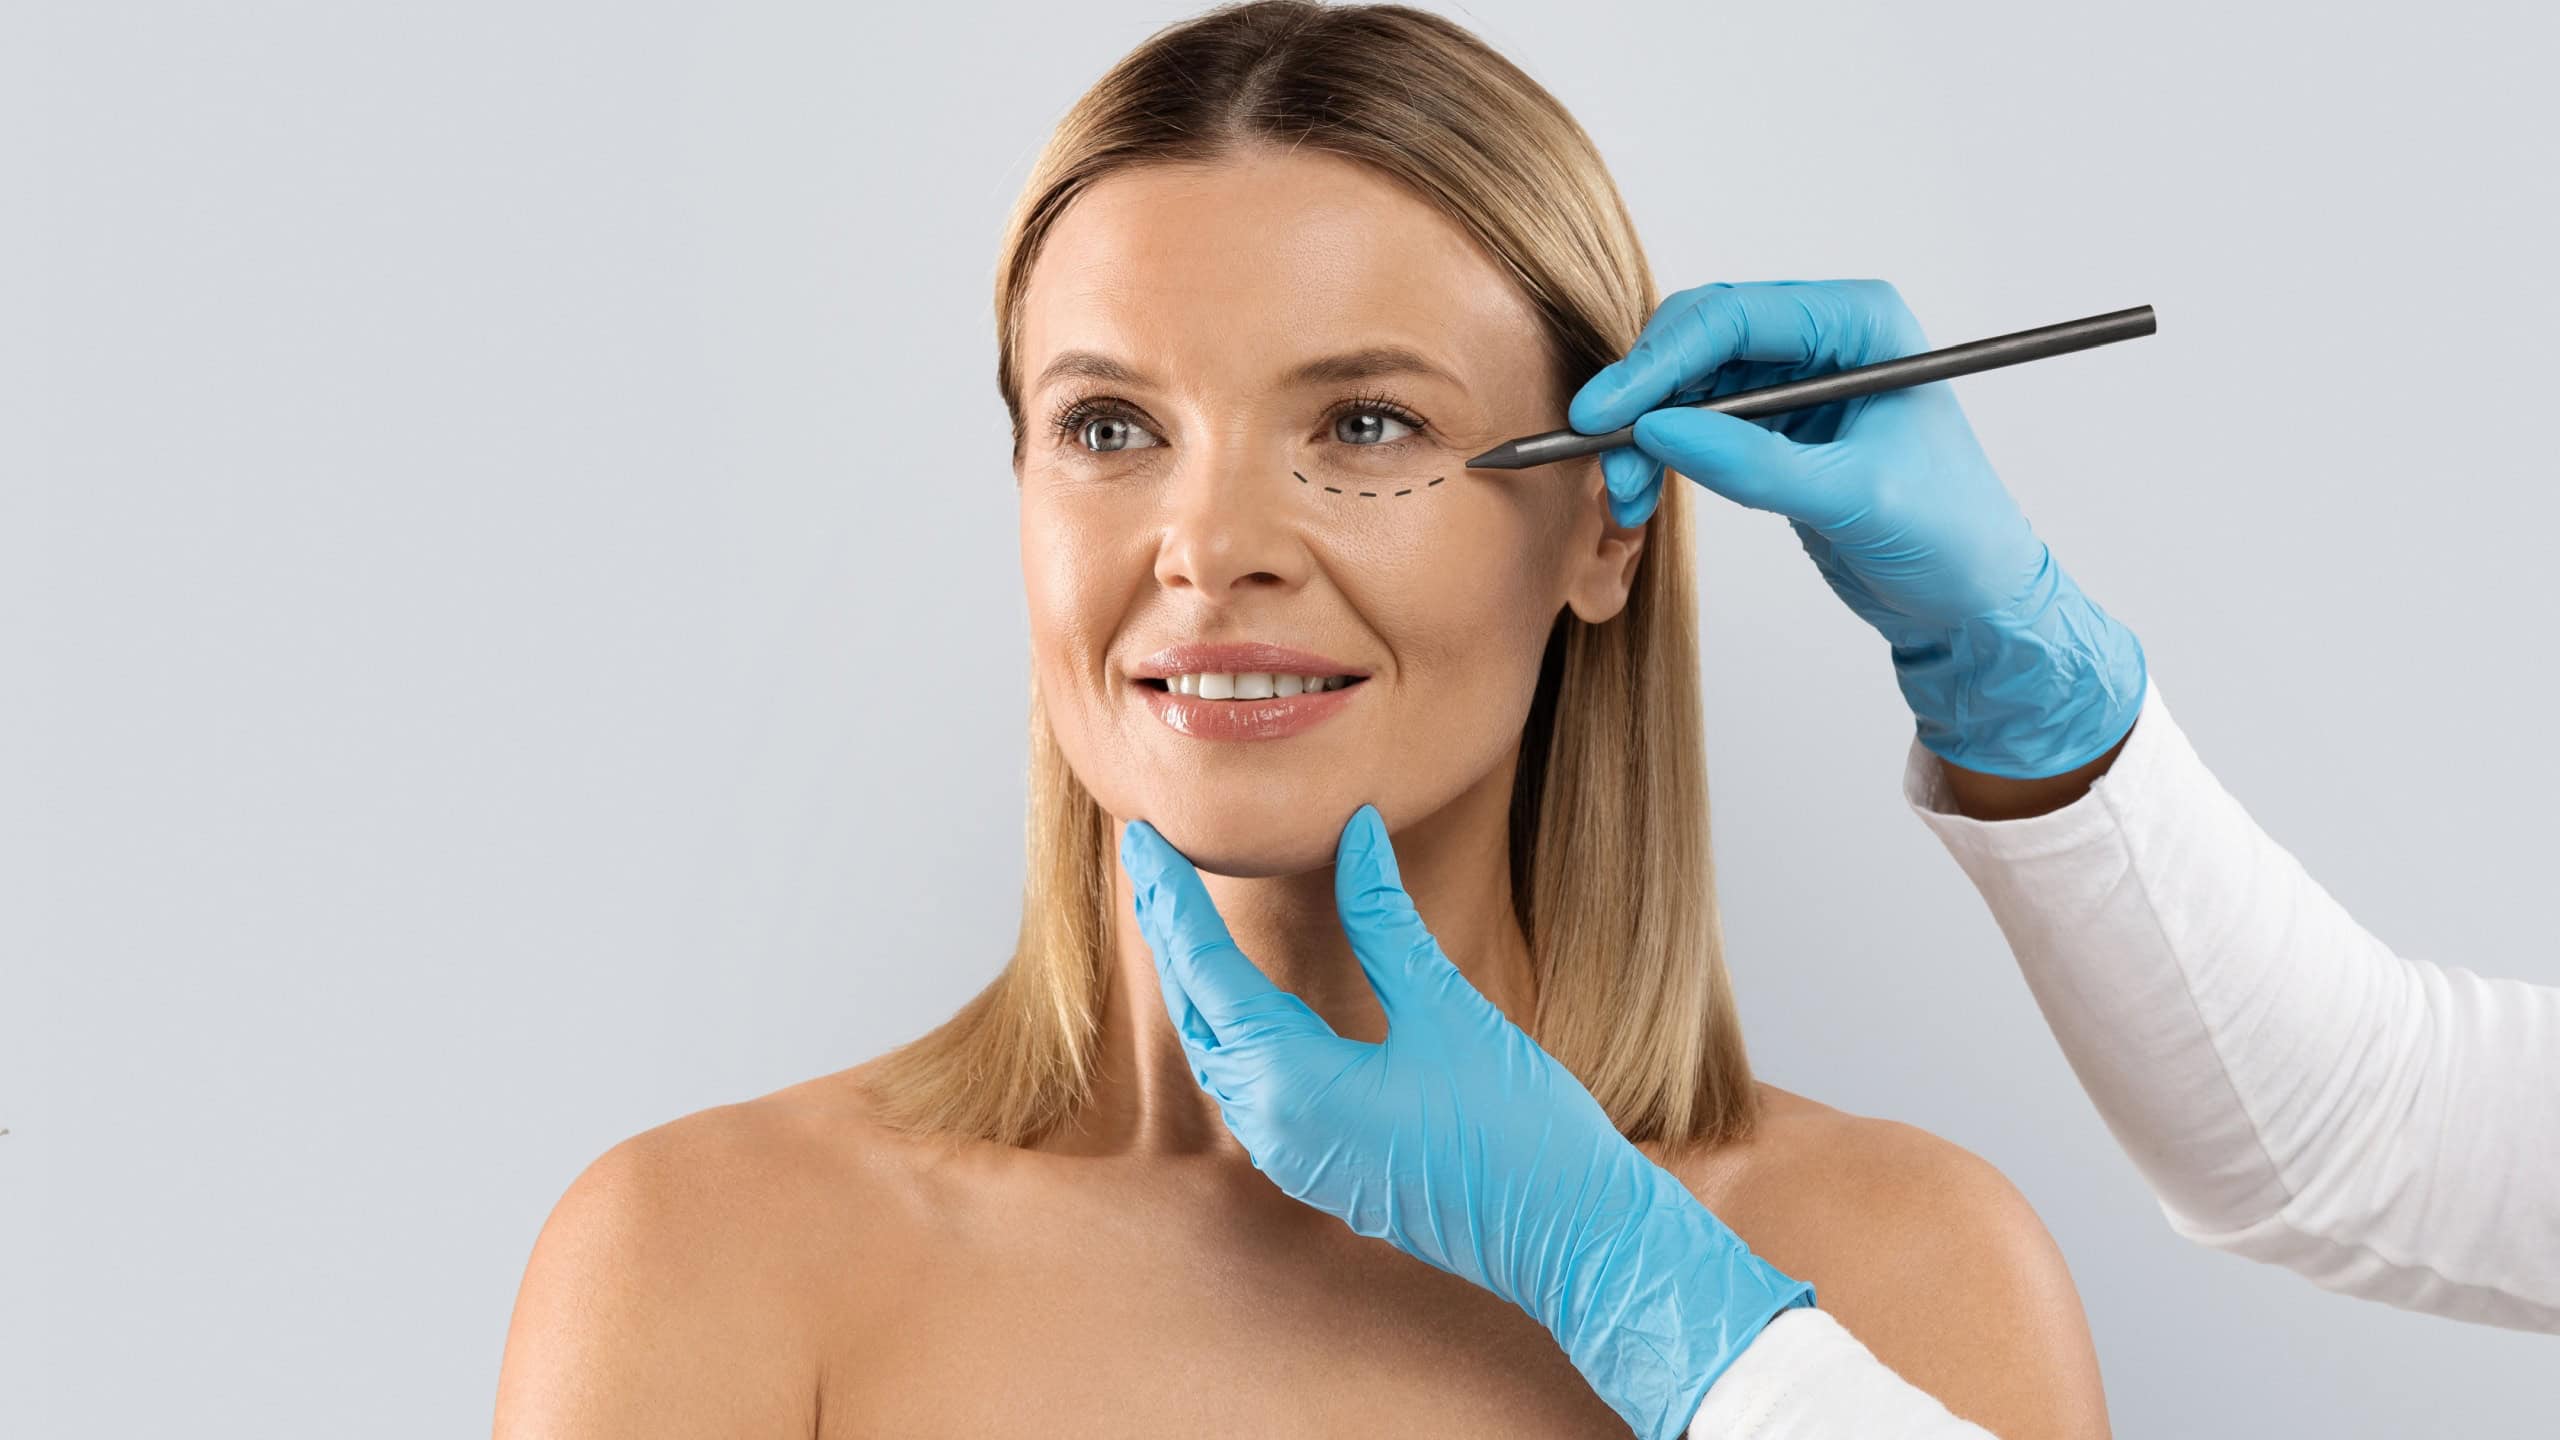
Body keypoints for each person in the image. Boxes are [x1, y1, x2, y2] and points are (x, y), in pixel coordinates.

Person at [489, 5, 2115, 1438]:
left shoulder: (1913, 1276)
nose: (1209, 547)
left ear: (1604, 529)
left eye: (1365, 423)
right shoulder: (701, 1266)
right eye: (1108, 425)